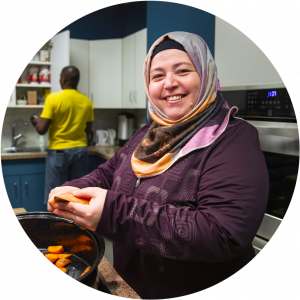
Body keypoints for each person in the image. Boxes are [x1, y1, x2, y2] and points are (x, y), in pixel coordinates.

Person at [47, 33, 269, 299]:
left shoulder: (234, 139)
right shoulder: (147, 134)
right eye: (157, 76)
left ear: (206, 75)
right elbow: (108, 173)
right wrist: (72, 188)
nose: (170, 84)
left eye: (183, 71)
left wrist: (112, 212)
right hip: (131, 289)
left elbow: (224, 233)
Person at [31, 66, 94, 206]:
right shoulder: (87, 102)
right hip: (80, 151)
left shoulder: (53, 98)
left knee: (56, 198)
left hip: (59, 152)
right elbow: (87, 131)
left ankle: (56, 226)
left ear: (63, 79)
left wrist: (35, 121)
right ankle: (74, 227)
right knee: (77, 196)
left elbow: (41, 129)